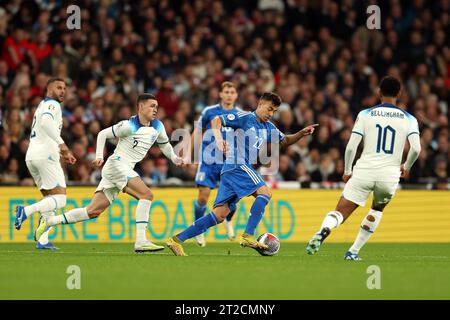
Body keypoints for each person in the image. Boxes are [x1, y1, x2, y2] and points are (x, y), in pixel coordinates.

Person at [167, 92, 318, 256]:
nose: (270, 114)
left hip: (231, 171)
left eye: (274, 111)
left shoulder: (269, 127)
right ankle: (248, 235)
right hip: (238, 165)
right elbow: (216, 120)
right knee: (265, 192)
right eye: (269, 109)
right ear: (260, 104)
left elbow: (285, 141)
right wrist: (218, 139)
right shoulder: (245, 118)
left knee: (220, 215)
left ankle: (175, 240)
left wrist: (301, 133)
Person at [34, 94, 185, 253]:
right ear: (140, 107)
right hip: (117, 165)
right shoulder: (128, 126)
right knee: (146, 195)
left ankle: (50, 222)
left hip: (123, 169)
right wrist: (99, 156)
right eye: (151, 106)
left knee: (92, 211)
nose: (155, 109)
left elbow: (165, 145)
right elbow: (102, 134)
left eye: (156, 106)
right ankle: (141, 241)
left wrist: (175, 158)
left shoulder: (158, 126)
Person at [306, 76, 421, 260]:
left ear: (379, 93)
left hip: (364, 171)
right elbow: (416, 148)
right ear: (399, 93)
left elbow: (351, 146)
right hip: (389, 175)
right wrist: (406, 166)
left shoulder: (365, 114)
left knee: (340, 212)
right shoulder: (409, 119)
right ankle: (353, 252)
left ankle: (324, 230)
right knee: (377, 209)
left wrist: (347, 171)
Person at [14, 78, 76, 250]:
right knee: (61, 199)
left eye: (64, 88)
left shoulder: (42, 105)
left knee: (50, 199)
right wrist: (62, 145)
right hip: (46, 156)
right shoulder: (52, 105)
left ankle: (42, 240)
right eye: (59, 87)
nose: (63, 91)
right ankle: (25, 211)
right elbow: (46, 123)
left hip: (32, 156)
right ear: (49, 89)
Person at [191, 81, 240, 246]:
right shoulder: (209, 112)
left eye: (232, 92)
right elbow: (197, 131)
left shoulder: (240, 115)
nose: (229, 95)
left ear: (236, 95)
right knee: (203, 197)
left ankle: (228, 221)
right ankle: (198, 230)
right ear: (220, 94)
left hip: (230, 162)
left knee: (233, 199)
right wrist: (188, 155)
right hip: (209, 161)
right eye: (226, 91)